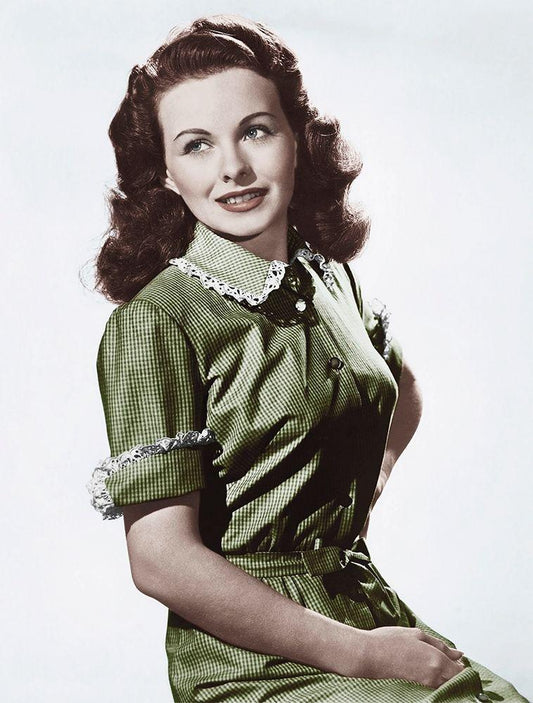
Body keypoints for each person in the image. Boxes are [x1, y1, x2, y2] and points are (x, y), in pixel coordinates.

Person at [87, 14, 528, 703]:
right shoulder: (157, 321)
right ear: (166, 175)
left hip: (359, 605)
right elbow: (161, 561)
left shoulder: (328, 278)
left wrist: (367, 482)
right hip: (246, 660)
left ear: (297, 138)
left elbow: (397, 387)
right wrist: (357, 652)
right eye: (196, 145)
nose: (233, 169)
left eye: (255, 131)